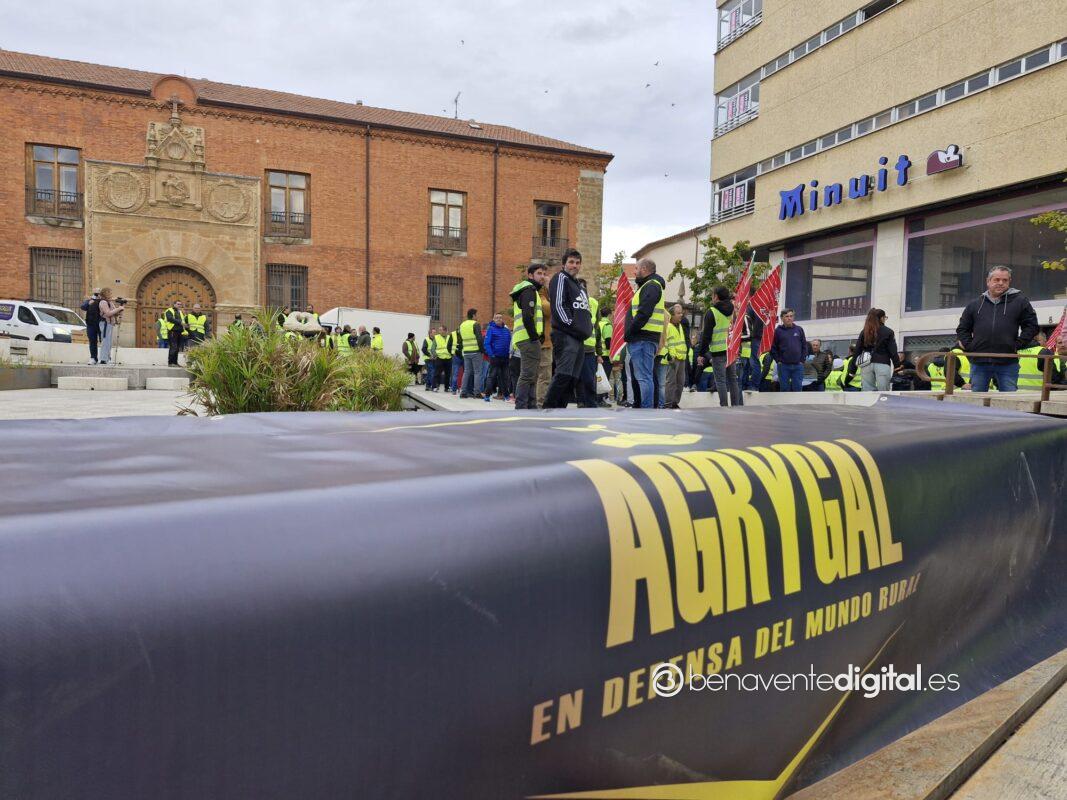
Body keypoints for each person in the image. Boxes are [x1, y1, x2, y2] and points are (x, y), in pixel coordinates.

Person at [955, 265, 1038, 393]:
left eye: (1005, 280)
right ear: (988, 281)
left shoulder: (1021, 302)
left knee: (1009, 400)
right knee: (977, 401)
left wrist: (1018, 345)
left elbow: (1032, 326)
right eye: (997, 279)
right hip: (979, 362)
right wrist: (971, 346)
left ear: (1009, 282)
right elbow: (962, 329)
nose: (1001, 283)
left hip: (1007, 362)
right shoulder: (975, 304)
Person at [544, 249, 592, 408]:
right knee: (563, 375)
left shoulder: (578, 284)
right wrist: (572, 324)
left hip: (578, 337)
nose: (574, 266)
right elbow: (558, 305)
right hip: (565, 335)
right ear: (564, 264)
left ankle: (560, 410)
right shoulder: (560, 278)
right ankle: (548, 409)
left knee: (572, 377)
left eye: (577, 263)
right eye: (571, 262)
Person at [624, 257, 666, 409]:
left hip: (642, 338)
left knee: (644, 377)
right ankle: (646, 408)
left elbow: (643, 313)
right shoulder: (649, 286)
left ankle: (646, 410)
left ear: (644, 269)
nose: (634, 272)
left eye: (636, 268)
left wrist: (630, 332)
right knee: (644, 376)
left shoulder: (651, 286)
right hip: (644, 338)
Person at [697, 286, 742, 407]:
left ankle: (724, 406)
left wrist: (701, 353)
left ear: (716, 296)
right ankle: (735, 406)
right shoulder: (732, 309)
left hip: (718, 352)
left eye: (712, 295)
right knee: (733, 379)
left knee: (721, 381)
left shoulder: (712, 312)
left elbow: (706, 335)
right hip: (730, 349)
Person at [851, 309, 900, 391]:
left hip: (866, 364)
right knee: (883, 392)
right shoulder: (888, 332)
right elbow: (893, 351)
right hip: (882, 364)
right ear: (881, 318)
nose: (885, 319)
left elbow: (857, 351)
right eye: (885, 317)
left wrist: (852, 370)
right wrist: (897, 367)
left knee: (868, 392)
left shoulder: (864, 332)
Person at [576, 278, 601, 408]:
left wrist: (599, 352)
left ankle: (591, 402)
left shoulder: (594, 303)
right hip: (575, 346)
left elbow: (597, 328)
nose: (582, 289)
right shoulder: (572, 301)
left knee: (589, 378)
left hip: (589, 348)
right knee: (577, 377)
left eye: (584, 286)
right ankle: (580, 401)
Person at [770, 309, 807, 392]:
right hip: (783, 366)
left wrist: (802, 360)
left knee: (797, 389)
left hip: (798, 365)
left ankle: (796, 405)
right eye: (786, 316)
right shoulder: (778, 331)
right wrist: (778, 360)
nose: (789, 318)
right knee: (784, 389)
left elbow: (804, 346)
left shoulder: (799, 329)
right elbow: (773, 348)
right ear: (782, 318)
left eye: (791, 316)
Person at [455, 308, 484, 398]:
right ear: (473, 315)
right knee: (477, 372)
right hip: (476, 351)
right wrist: (482, 350)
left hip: (466, 352)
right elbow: (479, 339)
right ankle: (477, 393)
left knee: (466, 372)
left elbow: (459, 340)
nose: (477, 317)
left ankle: (463, 392)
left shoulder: (461, 325)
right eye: (476, 315)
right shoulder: (475, 324)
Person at [482, 312, 512, 401]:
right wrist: (492, 354)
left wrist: (509, 353)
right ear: (494, 320)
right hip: (495, 357)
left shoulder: (506, 330)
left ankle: (506, 396)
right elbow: (487, 343)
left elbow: (510, 342)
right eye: (497, 318)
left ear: (502, 319)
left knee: (505, 377)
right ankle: (487, 395)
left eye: (500, 317)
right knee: (492, 376)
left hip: (505, 358)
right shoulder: (490, 329)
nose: (499, 319)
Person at [663, 305, 687, 408]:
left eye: (681, 313)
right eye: (678, 313)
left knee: (680, 383)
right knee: (671, 382)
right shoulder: (668, 326)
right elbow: (666, 343)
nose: (681, 315)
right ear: (671, 315)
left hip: (681, 358)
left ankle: (675, 402)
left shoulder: (680, 325)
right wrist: (670, 356)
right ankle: (668, 404)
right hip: (673, 359)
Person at [96, 288, 125, 365]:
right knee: (105, 341)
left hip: (110, 324)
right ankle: (103, 359)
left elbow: (114, 313)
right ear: (106, 293)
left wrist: (119, 311)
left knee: (108, 342)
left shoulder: (110, 303)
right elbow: (108, 313)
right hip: (105, 324)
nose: (111, 294)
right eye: (110, 293)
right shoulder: (103, 302)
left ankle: (107, 358)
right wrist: (118, 308)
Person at [740, 306, 764, 390]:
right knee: (749, 366)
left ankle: (752, 386)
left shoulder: (747, 311)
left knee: (753, 364)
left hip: (752, 342)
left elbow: (748, 333)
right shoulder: (757, 306)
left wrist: (735, 337)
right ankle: (748, 385)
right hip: (750, 344)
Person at [162, 300, 187, 367]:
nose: (179, 305)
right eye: (178, 304)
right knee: (173, 347)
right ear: (174, 304)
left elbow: (183, 321)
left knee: (177, 348)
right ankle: (170, 363)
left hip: (179, 332)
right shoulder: (169, 310)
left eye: (180, 304)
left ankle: (175, 363)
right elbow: (170, 319)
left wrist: (185, 325)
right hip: (173, 331)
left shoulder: (180, 312)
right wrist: (180, 322)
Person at [80, 290, 102, 364]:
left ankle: (106, 357)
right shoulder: (90, 300)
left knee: (103, 341)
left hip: (101, 324)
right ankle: (93, 358)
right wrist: (89, 303)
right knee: (92, 341)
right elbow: (83, 307)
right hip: (91, 324)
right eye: (96, 294)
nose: (97, 295)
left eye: (99, 294)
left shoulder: (103, 301)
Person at [434, 326, 452, 391]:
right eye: (439, 330)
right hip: (439, 358)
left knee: (448, 374)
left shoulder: (450, 337)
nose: (439, 331)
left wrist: (452, 354)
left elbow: (452, 346)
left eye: (440, 330)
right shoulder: (436, 337)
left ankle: (447, 387)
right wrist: (435, 355)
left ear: (445, 331)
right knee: (437, 373)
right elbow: (433, 348)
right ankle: (436, 386)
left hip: (448, 358)